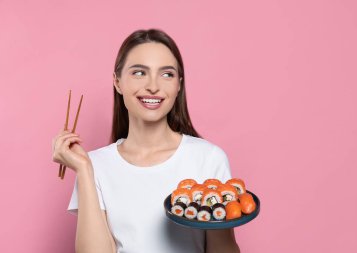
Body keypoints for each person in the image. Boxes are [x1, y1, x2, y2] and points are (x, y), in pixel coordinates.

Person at [52, 28, 240, 253]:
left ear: (178, 84)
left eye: (167, 74)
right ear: (117, 82)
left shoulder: (208, 158)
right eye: (139, 72)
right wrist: (83, 170)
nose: (153, 86)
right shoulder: (94, 165)